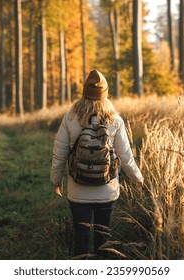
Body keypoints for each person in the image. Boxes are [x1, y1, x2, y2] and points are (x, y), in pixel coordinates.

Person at [50, 69, 144, 259]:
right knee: (104, 239)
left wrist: (56, 180)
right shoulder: (115, 120)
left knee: (81, 240)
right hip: (107, 190)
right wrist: (137, 178)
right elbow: (125, 156)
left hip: (78, 190)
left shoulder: (70, 117)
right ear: (106, 94)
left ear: (84, 92)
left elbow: (59, 153)